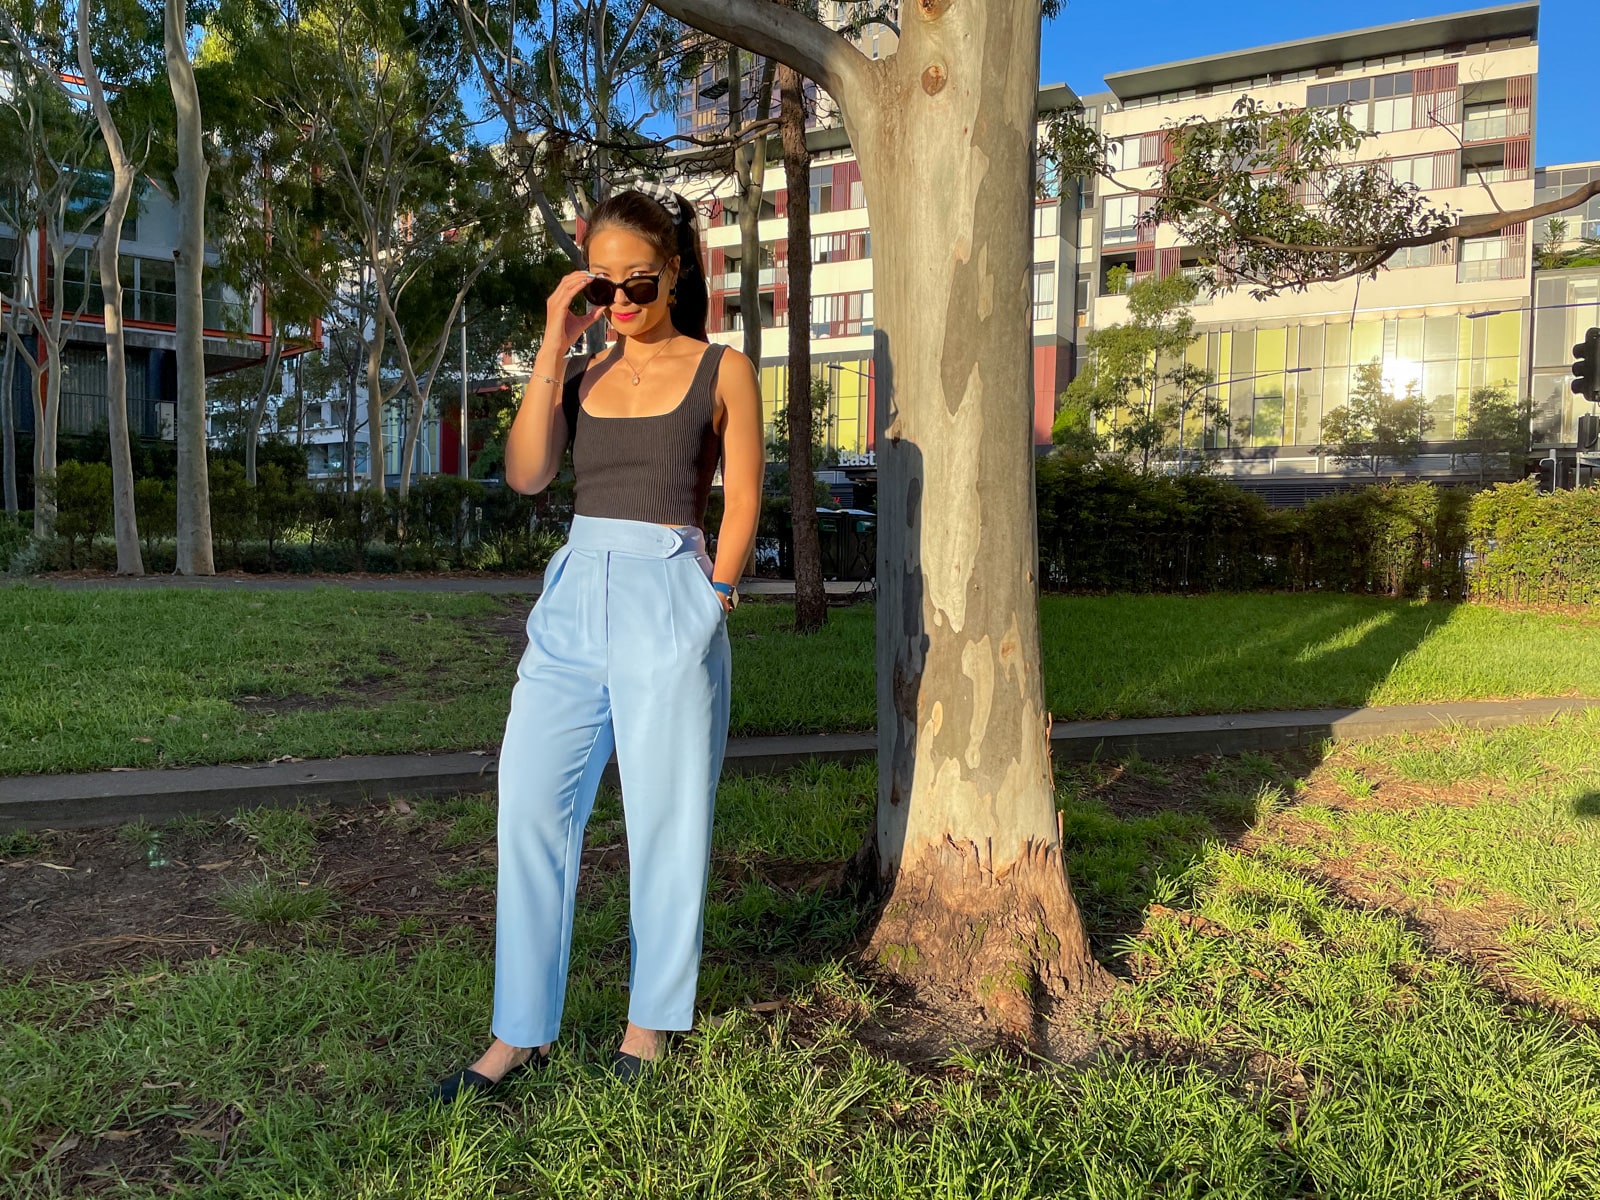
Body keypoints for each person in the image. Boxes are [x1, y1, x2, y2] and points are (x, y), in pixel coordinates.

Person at [428, 183, 764, 1101]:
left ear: (675, 272)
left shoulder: (720, 368)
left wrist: (716, 596)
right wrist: (551, 342)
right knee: (530, 801)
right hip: (576, 592)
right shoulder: (580, 372)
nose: (620, 300)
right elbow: (529, 475)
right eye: (601, 285)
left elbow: (742, 497)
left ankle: (649, 1023)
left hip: (671, 588)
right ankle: (518, 1030)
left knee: (668, 816)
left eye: (638, 282)